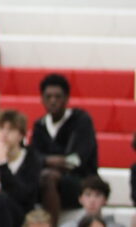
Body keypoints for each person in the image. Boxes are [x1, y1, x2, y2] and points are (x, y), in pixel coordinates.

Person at [31, 73, 99, 226]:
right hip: (48, 184)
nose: (53, 101)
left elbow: (76, 160)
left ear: (67, 98)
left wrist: (46, 162)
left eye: (58, 96)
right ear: (42, 99)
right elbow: (32, 159)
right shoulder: (39, 126)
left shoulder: (81, 120)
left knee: (48, 176)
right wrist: (49, 160)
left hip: (80, 182)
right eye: (48, 97)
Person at [0, 109, 42, 227]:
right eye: (0, 129)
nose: (4, 134)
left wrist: (2, 164)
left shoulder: (32, 159)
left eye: (10, 129)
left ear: (21, 135)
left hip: (21, 218)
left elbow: (24, 196)